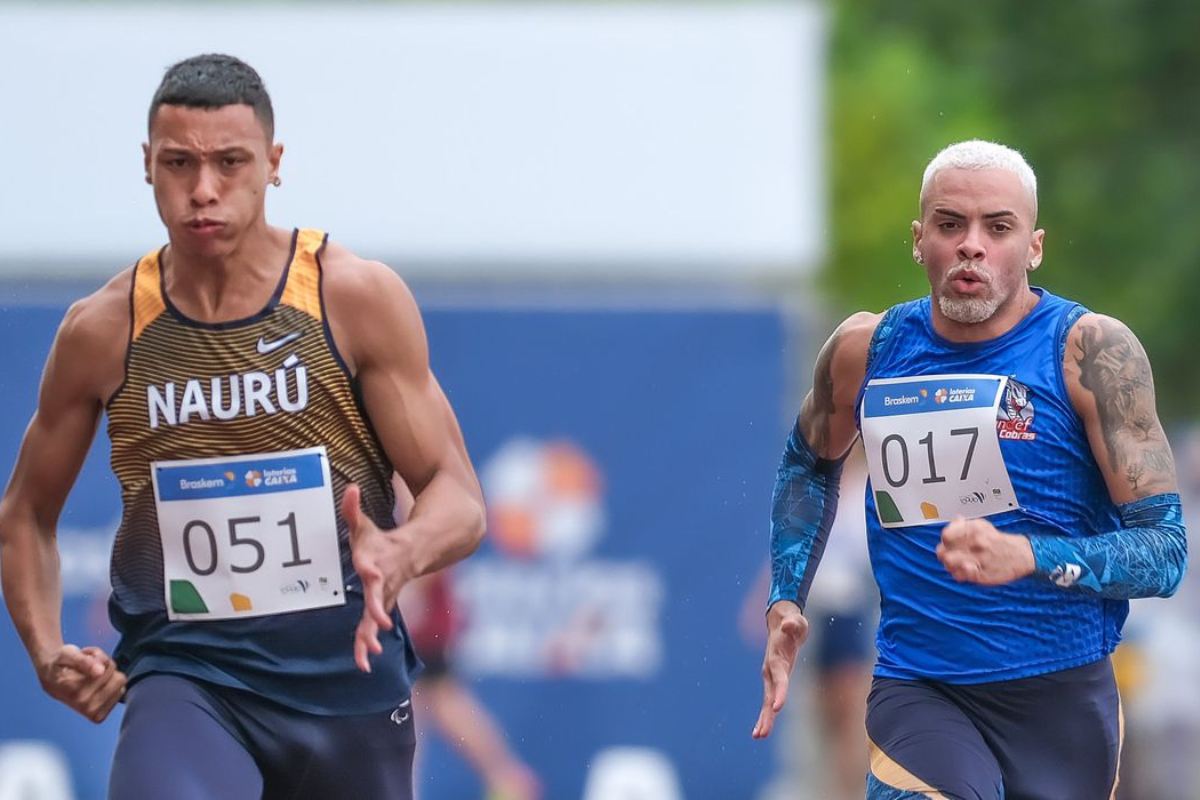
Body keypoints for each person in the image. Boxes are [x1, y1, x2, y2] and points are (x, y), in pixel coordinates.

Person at [0, 53, 485, 800]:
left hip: (347, 685)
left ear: (274, 163)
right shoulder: (104, 331)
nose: (203, 191)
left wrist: (402, 549)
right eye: (178, 164)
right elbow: (26, 515)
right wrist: (44, 651)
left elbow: (457, 495)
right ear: (147, 166)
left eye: (230, 163)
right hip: (188, 675)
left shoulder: (350, 298)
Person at [752, 139, 1187, 799]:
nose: (971, 245)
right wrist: (787, 596)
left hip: (1062, 699)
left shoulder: (1091, 354)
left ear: (1034, 247)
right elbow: (808, 464)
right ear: (919, 240)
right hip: (920, 689)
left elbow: (1165, 552)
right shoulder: (867, 351)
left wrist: (1027, 555)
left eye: (998, 227)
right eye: (950, 225)